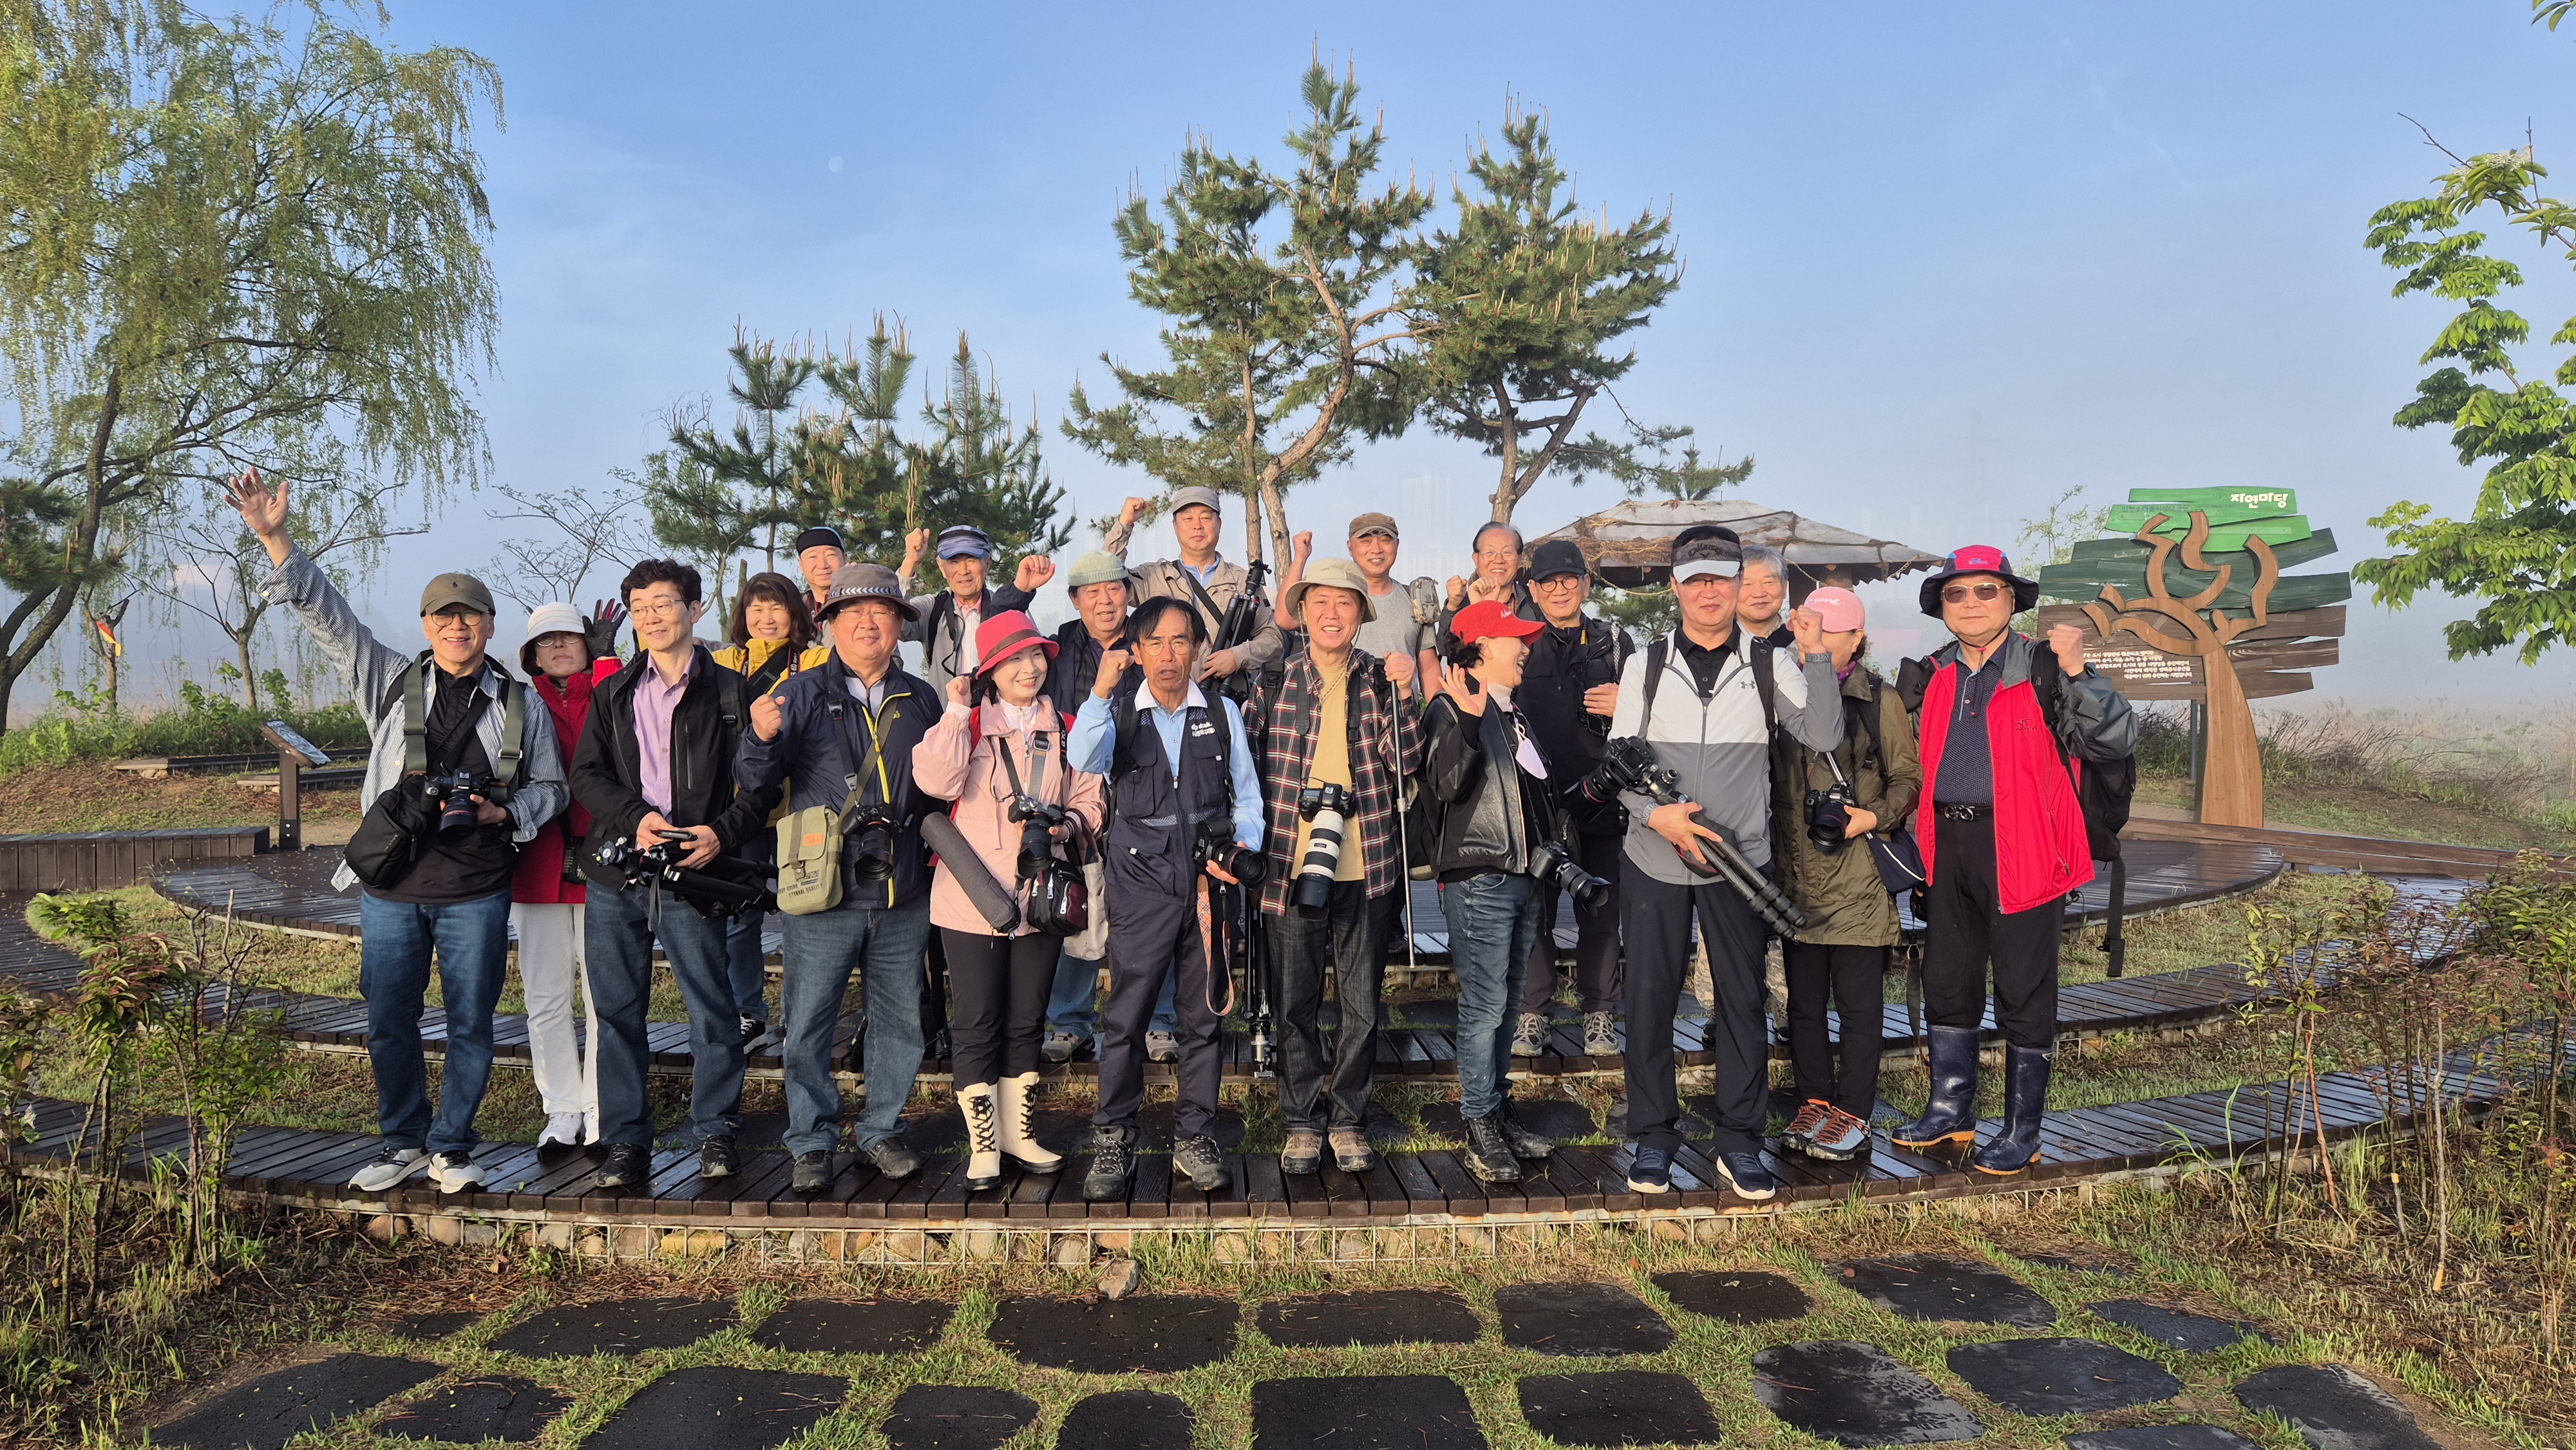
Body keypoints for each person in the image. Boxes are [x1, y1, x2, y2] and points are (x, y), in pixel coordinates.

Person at [228, 468, 568, 1196]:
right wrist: (275, 538)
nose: (457, 627)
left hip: (476, 886)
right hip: (390, 884)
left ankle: (452, 1147)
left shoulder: (519, 702)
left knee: (471, 1022)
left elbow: (552, 786)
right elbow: (329, 619)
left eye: (469, 616)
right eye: (444, 616)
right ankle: (403, 1141)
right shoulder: (387, 678)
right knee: (389, 1019)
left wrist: (505, 813)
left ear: (490, 624)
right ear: (425, 625)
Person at [1607, 525, 1839, 1200]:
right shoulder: (1645, 664)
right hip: (1654, 855)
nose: (1709, 592)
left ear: (1740, 585)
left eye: (1721, 579)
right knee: (1649, 999)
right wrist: (1655, 815)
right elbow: (1618, 762)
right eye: (1696, 580)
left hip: (1739, 859)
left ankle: (1739, 1140)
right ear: (1675, 587)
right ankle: (1654, 1136)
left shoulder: (1770, 662)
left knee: (1742, 999)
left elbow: (1822, 733)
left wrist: (1816, 654)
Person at [1892, 546, 2135, 1175]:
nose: (1970, 603)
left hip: (2026, 848)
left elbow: (2113, 739)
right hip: (1947, 848)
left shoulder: (2047, 667)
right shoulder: (1933, 675)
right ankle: (1950, 1110)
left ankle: (2022, 1130)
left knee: (2024, 990)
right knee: (1948, 981)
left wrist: (2079, 670)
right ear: (1942, 607)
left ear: (2010, 600)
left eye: (1986, 590)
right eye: (1956, 592)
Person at [737, 563, 946, 1193]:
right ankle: (811, 1139)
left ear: (899, 625)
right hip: (822, 885)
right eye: (852, 611)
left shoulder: (922, 697)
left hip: (902, 885)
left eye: (881, 611)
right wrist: (759, 737)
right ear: (829, 623)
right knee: (808, 1019)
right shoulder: (798, 693)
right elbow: (754, 781)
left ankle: (881, 1129)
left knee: (900, 1019)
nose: (867, 623)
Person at [573, 560, 781, 1189]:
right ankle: (625, 1140)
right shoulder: (613, 691)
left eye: (663, 603)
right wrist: (635, 817)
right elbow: (587, 776)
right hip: (618, 872)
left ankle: (716, 1130)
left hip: (692, 871)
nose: (650, 617)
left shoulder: (731, 691)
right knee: (616, 1012)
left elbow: (764, 786)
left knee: (712, 1008)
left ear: (694, 609)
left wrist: (721, 833)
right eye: (639, 608)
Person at [1066, 597, 1264, 1201]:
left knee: (1204, 1018)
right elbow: (1082, 758)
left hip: (1208, 884)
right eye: (1155, 642)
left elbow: (1248, 796)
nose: (1169, 654)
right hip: (1138, 883)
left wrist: (1242, 848)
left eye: (1181, 641)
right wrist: (1100, 692)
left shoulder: (1223, 713)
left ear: (1199, 648)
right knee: (1126, 1018)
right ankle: (1114, 1137)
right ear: (1137, 651)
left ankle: (1195, 1137)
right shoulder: (1119, 713)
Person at [911, 612, 1103, 1189]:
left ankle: (1020, 1135)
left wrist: (1066, 826)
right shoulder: (968, 723)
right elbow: (935, 783)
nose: (1029, 667)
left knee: (1027, 1020)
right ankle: (984, 1146)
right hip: (971, 896)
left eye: (1036, 655)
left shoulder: (1065, 726)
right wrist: (954, 711)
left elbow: (1091, 799)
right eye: (1014, 659)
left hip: (1042, 894)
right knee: (977, 1022)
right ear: (990, 671)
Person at [1249, 557, 1424, 1177]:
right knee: (1294, 1002)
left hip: (1367, 861)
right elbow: (1244, 767)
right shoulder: (1273, 679)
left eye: (1344, 602)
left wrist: (1407, 695)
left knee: (1361, 1005)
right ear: (1301, 612)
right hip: (1288, 864)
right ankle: (1301, 1120)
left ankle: (1348, 1117)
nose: (1331, 613)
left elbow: (1407, 762)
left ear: (1360, 615)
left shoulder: (1379, 676)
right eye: (1319, 601)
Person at [1766, 587, 1920, 1162]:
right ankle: (1814, 1102)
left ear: (1858, 638)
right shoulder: (1782, 689)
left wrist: (1872, 818)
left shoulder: (1880, 699)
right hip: (1796, 874)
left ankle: (1853, 1111)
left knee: (1858, 1007)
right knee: (1804, 1006)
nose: (1820, 639)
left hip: (1857, 876)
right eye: (1811, 627)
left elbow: (1908, 777)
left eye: (1833, 631)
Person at [1422, 600, 1573, 1183]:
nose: (1526, 647)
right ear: (1481, 646)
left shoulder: (1513, 712)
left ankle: (1497, 1107)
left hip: (1524, 875)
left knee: (1508, 1002)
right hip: (1480, 877)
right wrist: (1465, 720)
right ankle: (1479, 1121)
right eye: (1515, 639)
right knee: (1485, 1005)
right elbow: (1445, 785)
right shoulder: (1450, 706)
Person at [1038, 550, 1180, 1064]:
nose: (1105, 600)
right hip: (1075, 790)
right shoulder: (1057, 649)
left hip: (1144, 787)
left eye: (1114, 589)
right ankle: (1069, 1022)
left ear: (1128, 593)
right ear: (1075, 600)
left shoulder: (1148, 643)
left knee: (1154, 909)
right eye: (1092, 592)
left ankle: (1159, 1020)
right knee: (1076, 903)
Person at [1509, 540, 1635, 1060]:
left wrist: (1627, 704)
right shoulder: (1516, 639)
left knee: (1601, 914)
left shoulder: (1615, 642)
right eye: (1548, 582)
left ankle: (1599, 1014)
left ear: (1585, 583)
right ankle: (1533, 1013)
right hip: (1534, 802)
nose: (1560, 589)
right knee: (1534, 913)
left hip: (1601, 798)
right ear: (1533, 589)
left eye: (1569, 579)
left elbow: (1647, 715)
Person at [710, 570, 832, 1043]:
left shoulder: (817, 659)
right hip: (741, 809)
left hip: (800, 807)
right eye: (755, 608)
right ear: (741, 615)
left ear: (796, 613)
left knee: (806, 909)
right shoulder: (723, 661)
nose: (766, 617)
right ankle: (748, 1009)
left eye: (776, 607)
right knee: (741, 913)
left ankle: (800, 1013)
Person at [511, 603, 603, 1149]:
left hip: (604, 863)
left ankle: (599, 1104)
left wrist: (609, 663)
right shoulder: (517, 704)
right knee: (545, 995)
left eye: (571, 637)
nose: (560, 647)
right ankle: (562, 1108)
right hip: (538, 863)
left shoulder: (611, 691)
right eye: (547, 641)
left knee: (603, 994)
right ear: (532, 655)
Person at [1101, 489, 1285, 689]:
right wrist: (1125, 524)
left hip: (1227, 696)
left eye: (1206, 517)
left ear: (1219, 524)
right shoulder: (1154, 577)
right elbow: (1106, 575)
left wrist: (1238, 657)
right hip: (1165, 696)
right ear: (1175, 526)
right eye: (1188, 519)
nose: (1197, 526)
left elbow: (1273, 639)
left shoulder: (1243, 582)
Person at [895, 523, 1054, 694]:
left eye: (971, 560)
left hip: (995, 710)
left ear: (987, 564)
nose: (963, 571)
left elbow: (1034, 656)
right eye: (954, 562)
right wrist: (910, 562)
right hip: (945, 710)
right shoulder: (933, 608)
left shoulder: (1007, 609)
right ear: (942, 568)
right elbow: (898, 626)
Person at [1347, 513, 1444, 690]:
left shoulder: (1416, 599)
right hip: (1346, 705)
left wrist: (1438, 707)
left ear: (1397, 545)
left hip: (1402, 705)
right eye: (1366, 541)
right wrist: (1300, 558)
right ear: (1350, 548)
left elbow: (1429, 668)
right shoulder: (1335, 599)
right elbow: (1290, 621)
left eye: (1385, 541)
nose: (1376, 549)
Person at [1443, 520, 1535, 625]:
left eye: (1507, 553)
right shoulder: (1460, 605)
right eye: (1490, 552)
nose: (1499, 560)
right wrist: (1453, 607)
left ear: (1520, 559)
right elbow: (1446, 636)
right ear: (1476, 559)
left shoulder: (1536, 601)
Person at [1736, 545, 1794, 647]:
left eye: (1768, 582)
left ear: (1784, 588)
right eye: (1747, 584)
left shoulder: (1804, 641)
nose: (1759, 593)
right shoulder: (1713, 643)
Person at [793, 525, 849, 618]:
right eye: (813, 557)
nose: (823, 565)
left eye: (831, 555)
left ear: (845, 559)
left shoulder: (862, 600)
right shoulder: (795, 611)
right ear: (801, 565)